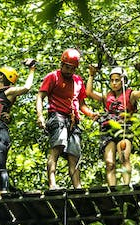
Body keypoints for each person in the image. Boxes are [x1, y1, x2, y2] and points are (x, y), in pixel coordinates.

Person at [36, 48, 98, 189]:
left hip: (73, 120)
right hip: (57, 116)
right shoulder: (53, 77)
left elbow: (81, 104)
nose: (69, 71)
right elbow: (40, 96)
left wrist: (90, 113)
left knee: (74, 154)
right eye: (67, 67)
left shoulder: (78, 81)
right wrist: (40, 116)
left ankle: (78, 187)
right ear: (61, 64)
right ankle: (52, 184)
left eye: (72, 68)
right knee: (57, 147)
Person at [0, 59, 36, 194]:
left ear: (2, 77)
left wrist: (32, 70)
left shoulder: (8, 91)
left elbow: (26, 87)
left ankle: (3, 192)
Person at [86, 63, 140, 186]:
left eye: (117, 80)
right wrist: (91, 75)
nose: (114, 83)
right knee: (110, 163)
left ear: (123, 81)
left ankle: (126, 185)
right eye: (112, 80)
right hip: (108, 131)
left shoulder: (130, 95)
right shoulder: (106, 96)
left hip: (124, 129)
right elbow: (89, 92)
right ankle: (112, 188)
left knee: (124, 157)